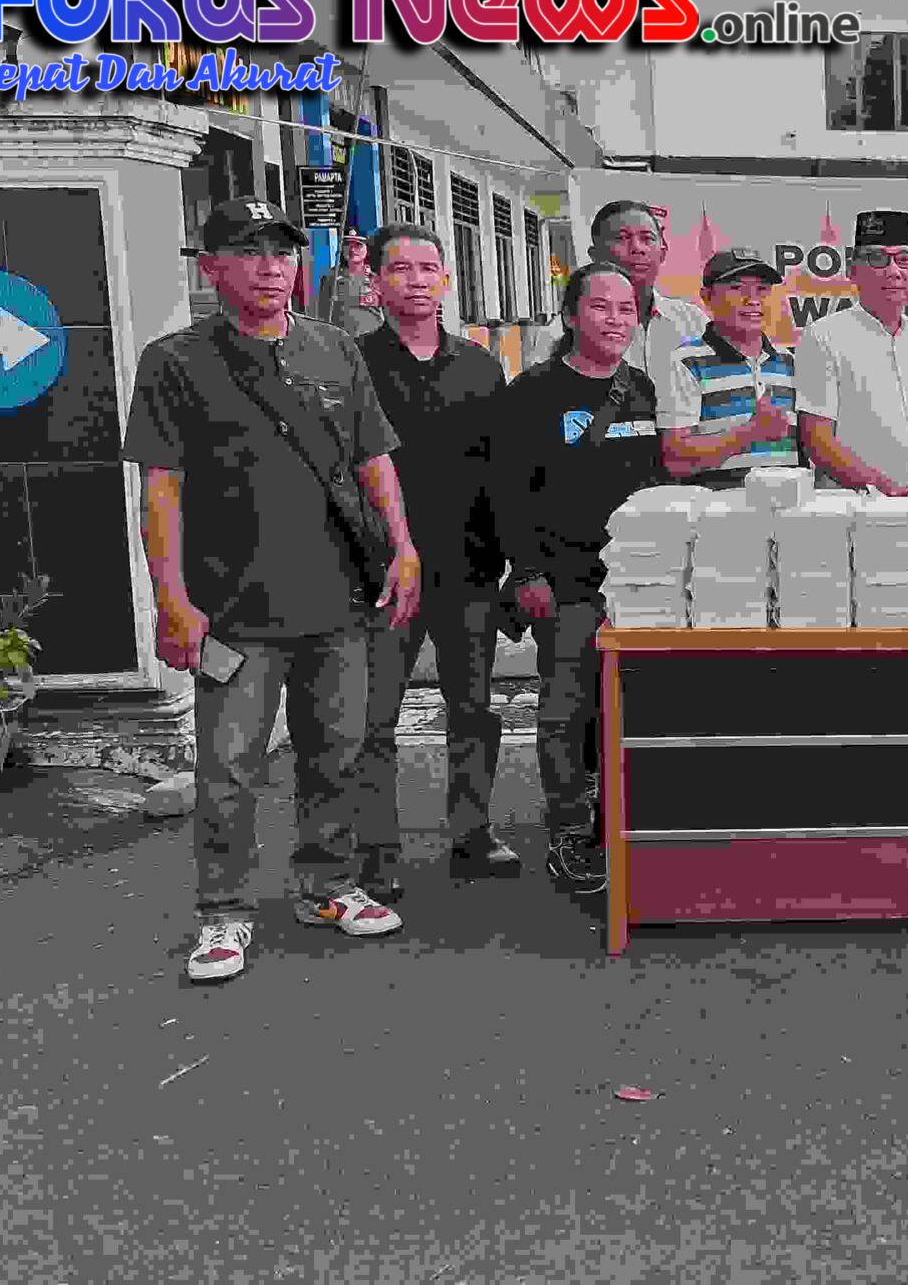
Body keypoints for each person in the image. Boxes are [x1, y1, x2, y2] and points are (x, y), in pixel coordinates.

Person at [124, 196, 421, 984]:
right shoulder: (175, 361)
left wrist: (403, 548)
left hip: (340, 599)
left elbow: (373, 458)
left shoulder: (333, 348)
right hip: (235, 611)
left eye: (283, 250)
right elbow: (161, 490)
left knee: (338, 754)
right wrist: (171, 598)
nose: (271, 266)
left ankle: (327, 885)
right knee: (229, 770)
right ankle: (223, 910)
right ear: (211, 266)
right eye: (250, 251)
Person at [343, 222, 518, 895]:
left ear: (446, 279)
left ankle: (472, 832)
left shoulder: (480, 366)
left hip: (469, 570)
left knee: (472, 709)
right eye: (401, 268)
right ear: (375, 282)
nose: (416, 280)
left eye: (428, 268)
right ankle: (376, 851)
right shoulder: (352, 363)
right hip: (381, 574)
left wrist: (509, 562)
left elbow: (501, 471)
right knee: (374, 720)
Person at [490, 261, 673, 893]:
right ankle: (568, 830)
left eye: (626, 309)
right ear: (570, 316)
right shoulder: (533, 392)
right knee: (566, 711)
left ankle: (615, 822)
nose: (616, 320)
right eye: (601, 307)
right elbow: (507, 492)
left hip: (639, 583)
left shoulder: (641, 387)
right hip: (565, 581)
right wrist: (528, 572)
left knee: (620, 709)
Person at [794, 209, 908, 496]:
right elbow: (817, 439)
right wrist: (883, 488)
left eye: (904, 259)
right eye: (877, 258)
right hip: (852, 503)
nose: (893, 271)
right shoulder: (823, 336)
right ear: (853, 270)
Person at [658, 246, 801, 487]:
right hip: (716, 506)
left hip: (789, 505)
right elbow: (675, 461)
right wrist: (749, 434)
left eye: (762, 290)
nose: (752, 300)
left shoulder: (789, 361)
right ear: (706, 296)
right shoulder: (686, 362)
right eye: (737, 288)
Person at [589, 198, 709, 384]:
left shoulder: (693, 322)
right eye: (622, 238)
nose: (637, 248)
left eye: (647, 239)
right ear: (595, 255)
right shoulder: (567, 332)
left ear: (662, 253)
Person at [314, 232, 383, 333]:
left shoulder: (377, 277)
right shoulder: (331, 277)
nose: (352, 250)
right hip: (341, 337)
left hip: (372, 336)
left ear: (367, 249)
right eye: (347, 245)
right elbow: (323, 312)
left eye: (358, 245)